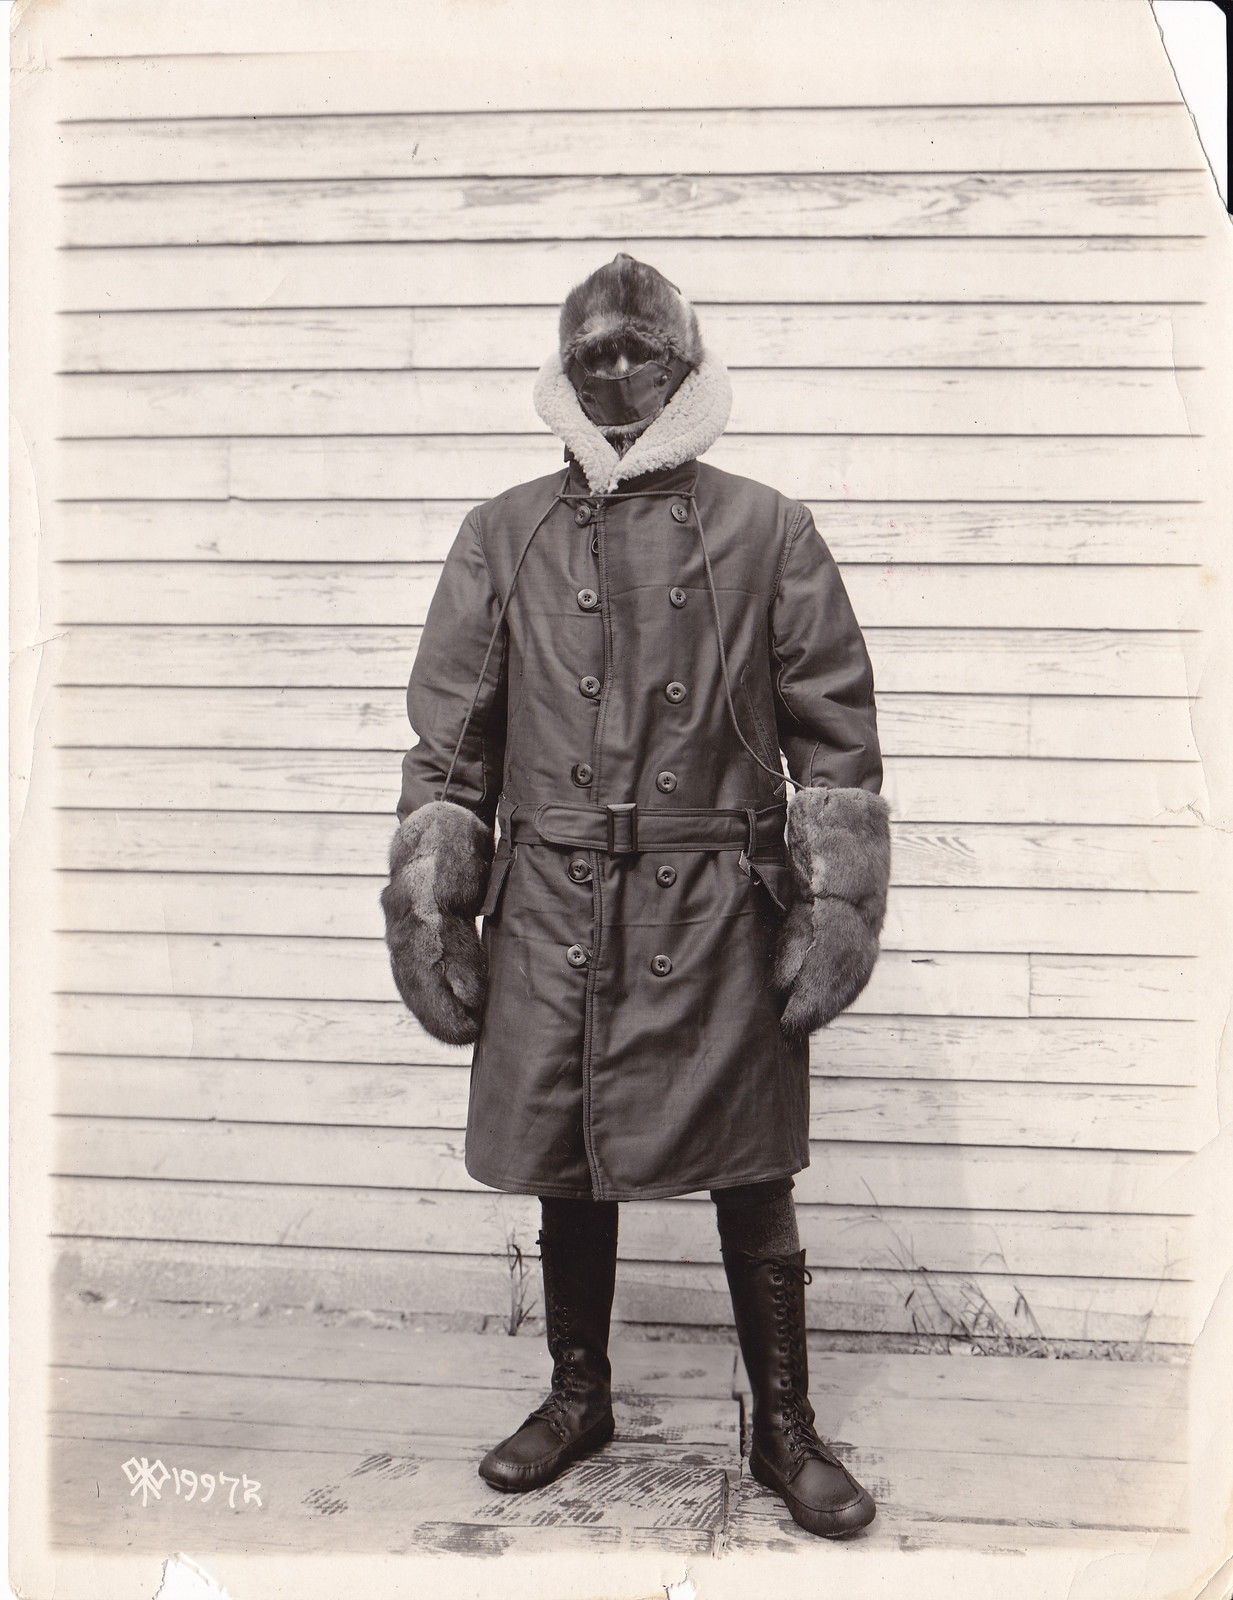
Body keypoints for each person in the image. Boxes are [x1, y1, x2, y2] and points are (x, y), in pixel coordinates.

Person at [382, 254, 890, 1539]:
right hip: (554, 894)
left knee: (754, 1166)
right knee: (569, 1154)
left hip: (717, 896)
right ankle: (579, 1395)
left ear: (684, 365)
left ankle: (783, 1425)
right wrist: (438, 901)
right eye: (592, 355)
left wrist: (831, 905)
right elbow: (453, 741)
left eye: (639, 351)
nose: (616, 374)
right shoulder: (505, 530)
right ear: (565, 375)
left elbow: (836, 737)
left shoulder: (766, 527)